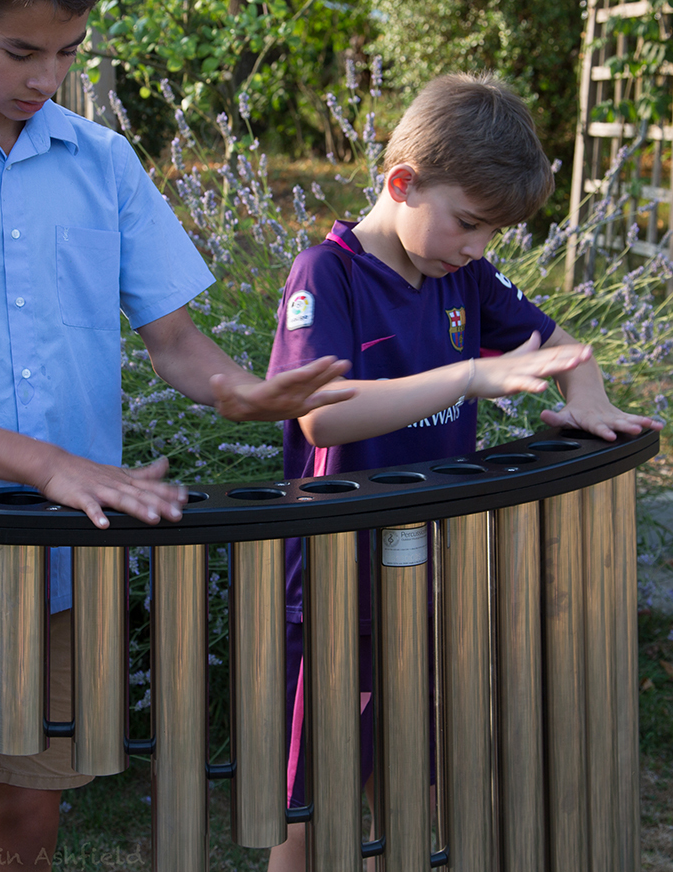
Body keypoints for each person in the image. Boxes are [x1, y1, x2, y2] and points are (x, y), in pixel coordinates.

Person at [0, 0, 354, 872]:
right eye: (22, 52)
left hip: (63, 566)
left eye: (69, 53)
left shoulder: (103, 160)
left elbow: (177, 344)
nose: (48, 78)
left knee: (26, 816)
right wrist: (47, 465)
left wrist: (241, 390)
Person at [265, 72, 663, 871]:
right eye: (469, 224)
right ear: (402, 183)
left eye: (491, 235)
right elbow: (324, 414)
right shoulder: (326, 274)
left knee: (412, 782)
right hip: (341, 588)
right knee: (312, 800)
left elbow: (565, 349)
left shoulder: (463, 277)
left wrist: (589, 400)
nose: (478, 248)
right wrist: (468, 378)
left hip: (436, 577)